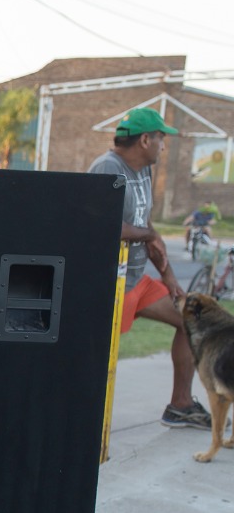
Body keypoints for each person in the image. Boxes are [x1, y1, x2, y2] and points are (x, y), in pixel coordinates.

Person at [88, 108, 211, 430]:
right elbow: (105, 226)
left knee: (192, 319)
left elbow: (146, 225)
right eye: (161, 139)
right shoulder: (107, 168)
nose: (163, 146)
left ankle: (180, 406)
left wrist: (168, 277)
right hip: (109, 286)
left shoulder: (143, 171)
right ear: (145, 140)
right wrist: (149, 235)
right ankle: (81, 424)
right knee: (89, 359)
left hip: (137, 282)